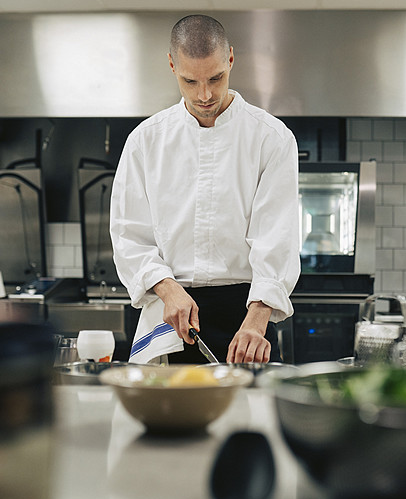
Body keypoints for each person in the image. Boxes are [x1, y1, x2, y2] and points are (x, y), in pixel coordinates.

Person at [110, 14, 300, 364]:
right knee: (169, 417)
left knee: (252, 417)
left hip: (248, 316)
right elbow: (128, 237)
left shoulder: (271, 138)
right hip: (171, 312)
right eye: (190, 80)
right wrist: (167, 289)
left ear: (230, 57)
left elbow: (278, 239)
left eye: (216, 78)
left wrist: (257, 321)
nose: (205, 94)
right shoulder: (145, 141)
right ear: (171, 65)